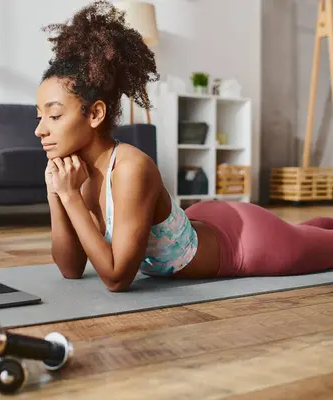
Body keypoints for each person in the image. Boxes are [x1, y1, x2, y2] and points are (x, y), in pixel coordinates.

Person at [36, 1, 333, 292]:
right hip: (204, 220)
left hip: (244, 243)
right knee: (310, 230)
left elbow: (117, 278)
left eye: (55, 115)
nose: (40, 129)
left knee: (314, 243)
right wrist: (56, 193)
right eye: (40, 117)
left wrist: (70, 197)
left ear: (96, 114)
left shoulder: (131, 169)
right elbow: (71, 269)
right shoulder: (74, 173)